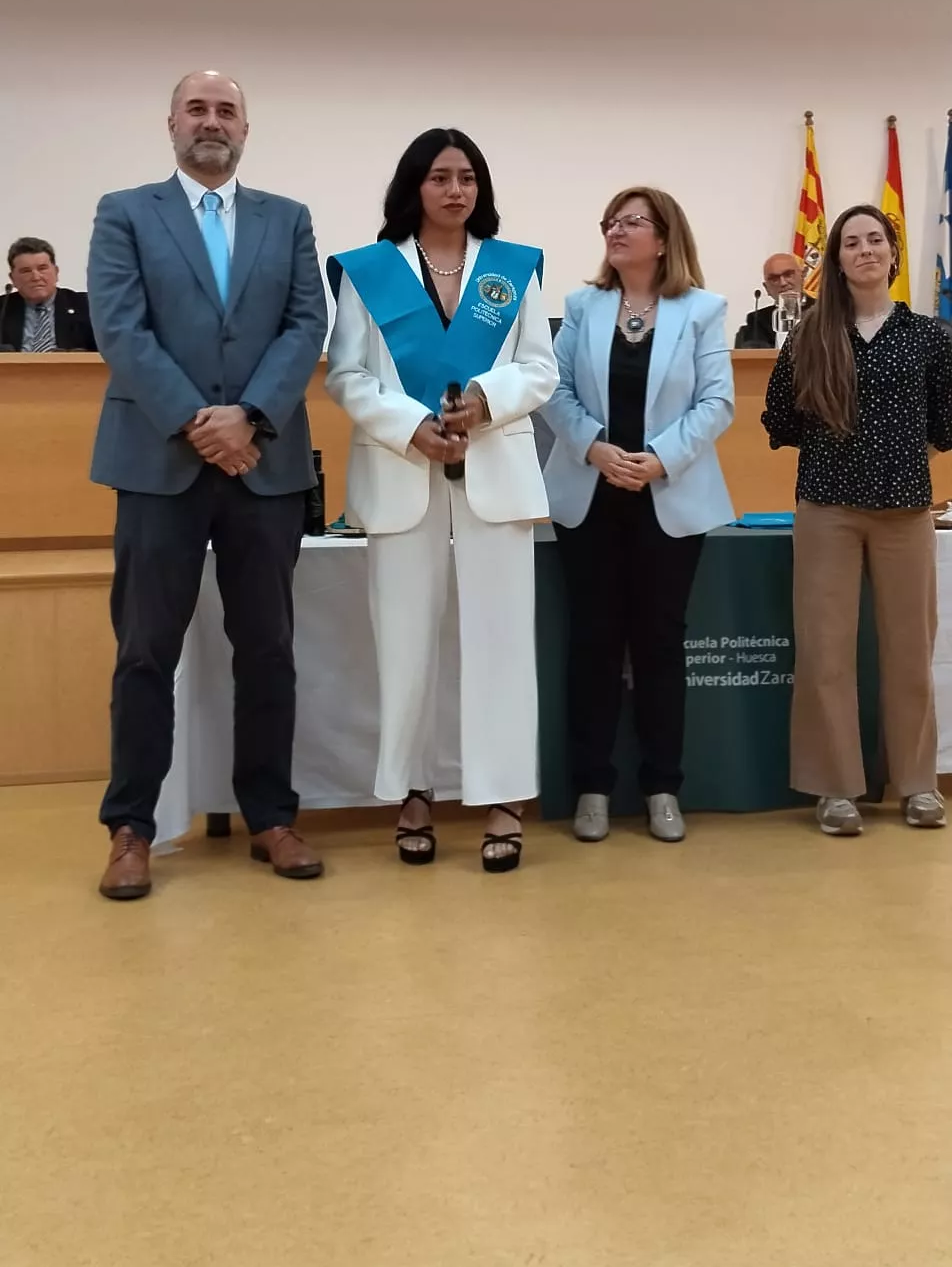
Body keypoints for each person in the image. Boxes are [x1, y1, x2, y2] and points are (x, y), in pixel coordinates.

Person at [87, 70, 327, 900]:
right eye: (198, 108)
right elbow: (120, 327)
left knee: (268, 650)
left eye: (227, 110)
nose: (212, 121)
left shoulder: (287, 219)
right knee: (145, 652)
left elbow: (308, 325)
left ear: (247, 130)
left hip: (264, 466)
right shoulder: (125, 213)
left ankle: (272, 817)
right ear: (171, 125)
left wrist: (250, 417)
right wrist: (200, 421)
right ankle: (131, 828)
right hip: (159, 465)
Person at [325, 127, 557, 873]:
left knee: (500, 646)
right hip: (402, 474)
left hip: (495, 471)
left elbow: (539, 368)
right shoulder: (367, 272)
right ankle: (413, 792)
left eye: (466, 177)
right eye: (438, 177)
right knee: (404, 645)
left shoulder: (514, 268)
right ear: (413, 187)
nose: (454, 190)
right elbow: (347, 374)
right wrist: (410, 425)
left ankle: (502, 797)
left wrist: (485, 400)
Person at [543, 187, 734, 846]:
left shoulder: (703, 310)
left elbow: (717, 403)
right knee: (592, 641)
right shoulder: (581, 306)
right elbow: (553, 391)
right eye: (611, 222)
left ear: (664, 237)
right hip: (589, 496)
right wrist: (593, 446)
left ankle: (662, 787)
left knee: (658, 645)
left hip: (668, 498)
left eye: (632, 222)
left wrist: (657, 459)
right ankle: (591, 787)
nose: (616, 231)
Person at [762, 204, 952, 837]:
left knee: (908, 652)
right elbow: (781, 422)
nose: (865, 250)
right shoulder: (810, 334)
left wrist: (896, 460)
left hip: (905, 513)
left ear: (893, 254)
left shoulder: (931, 337)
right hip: (827, 510)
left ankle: (918, 784)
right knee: (825, 652)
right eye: (851, 242)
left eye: (876, 240)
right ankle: (834, 787)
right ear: (836, 260)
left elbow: (944, 426)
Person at [1, 237, 97, 351]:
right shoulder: (3, 308)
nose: (36, 277)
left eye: (42, 268)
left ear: (56, 272)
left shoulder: (86, 305)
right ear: (12, 278)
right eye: (26, 271)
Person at [734, 251, 806, 349]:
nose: (783, 283)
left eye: (788, 275)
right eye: (774, 279)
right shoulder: (757, 321)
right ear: (766, 288)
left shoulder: (825, 311)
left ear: (802, 276)